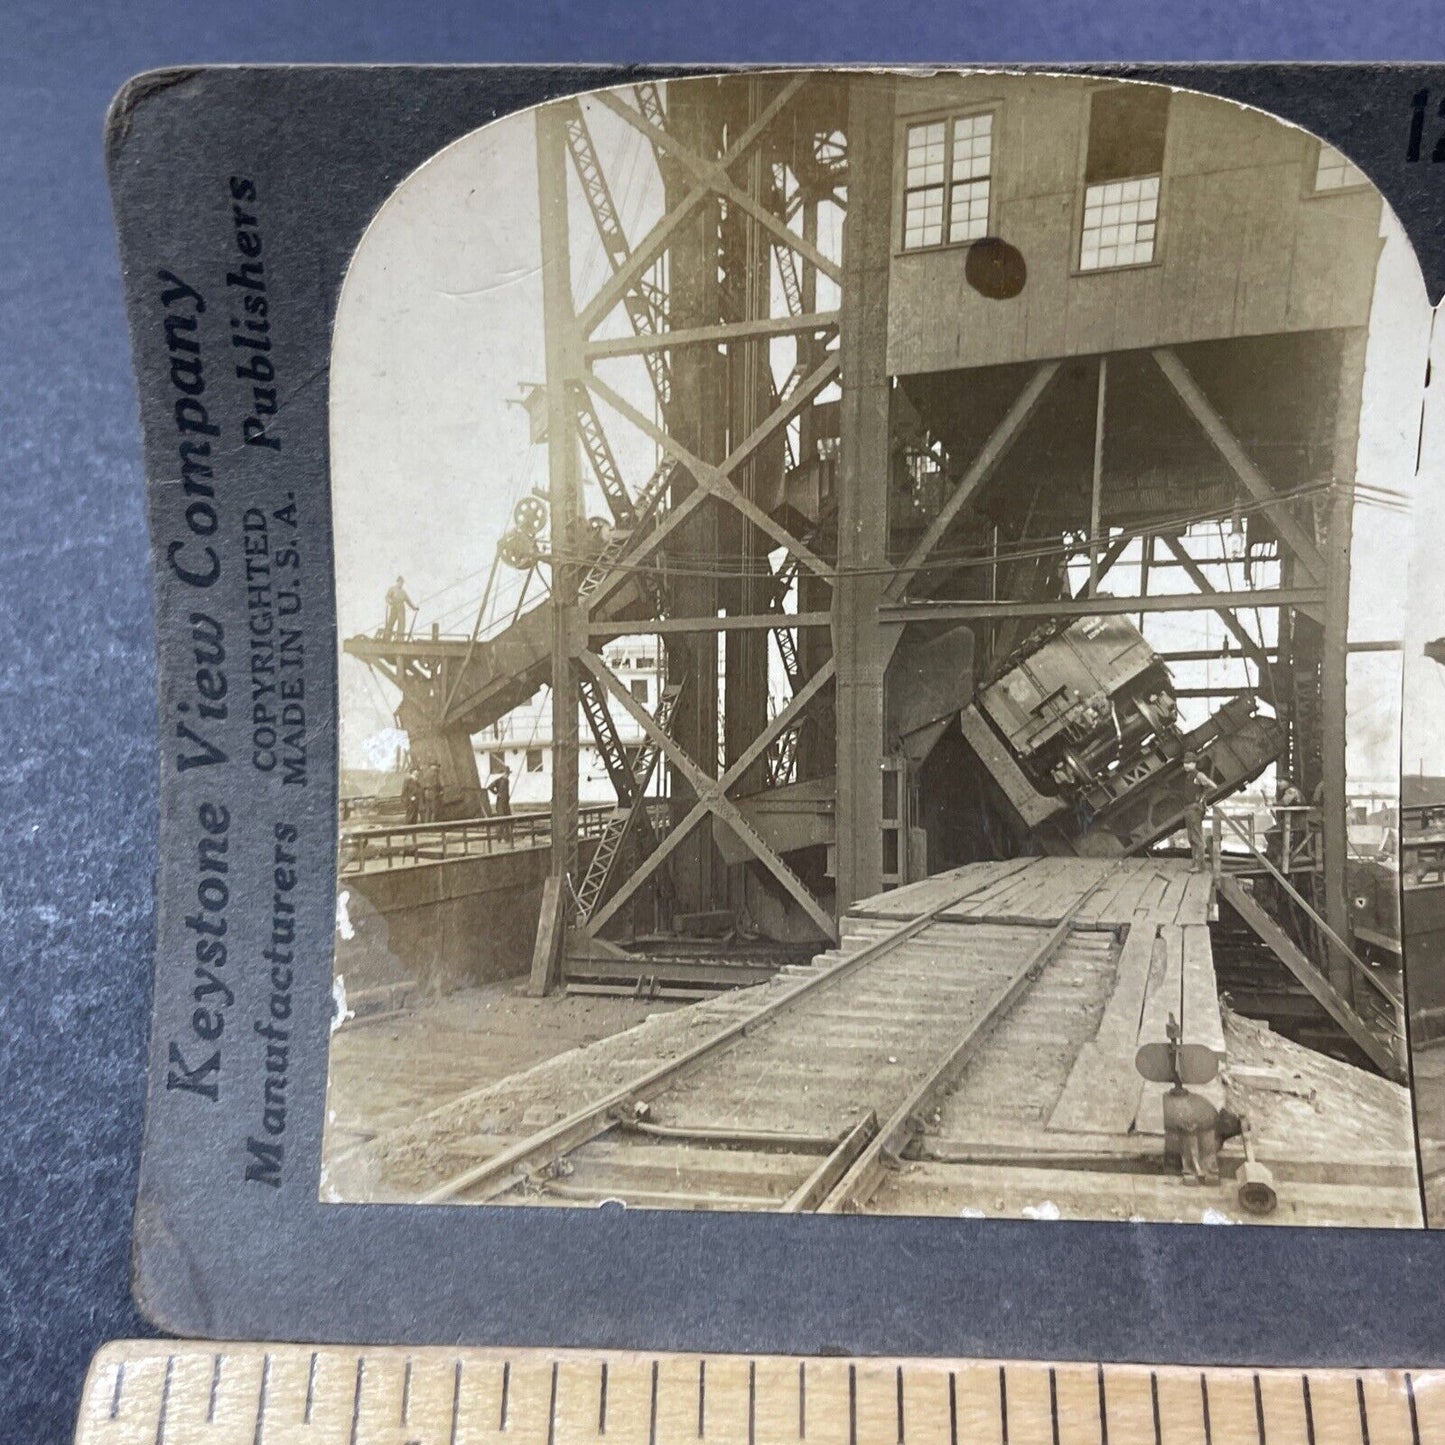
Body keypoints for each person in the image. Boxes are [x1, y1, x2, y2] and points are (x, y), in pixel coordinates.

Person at [1181, 750, 1214, 873]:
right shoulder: (1190, 775)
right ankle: (1195, 864)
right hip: (1189, 809)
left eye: (1188, 762)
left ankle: (1200, 866)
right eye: (1184, 762)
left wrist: (1201, 799)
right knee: (1191, 838)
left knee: (1197, 838)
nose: (1185, 765)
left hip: (1194, 810)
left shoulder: (1198, 775)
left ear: (1194, 763)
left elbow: (1212, 786)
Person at [382, 575, 416, 641]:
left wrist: (414, 608)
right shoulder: (392, 589)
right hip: (394, 607)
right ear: (397, 582)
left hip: (401, 609)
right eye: (400, 582)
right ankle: (386, 638)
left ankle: (400, 639)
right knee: (390, 622)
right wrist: (390, 602)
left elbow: (408, 601)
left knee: (402, 624)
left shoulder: (403, 592)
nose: (401, 584)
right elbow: (387, 597)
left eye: (402, 583)